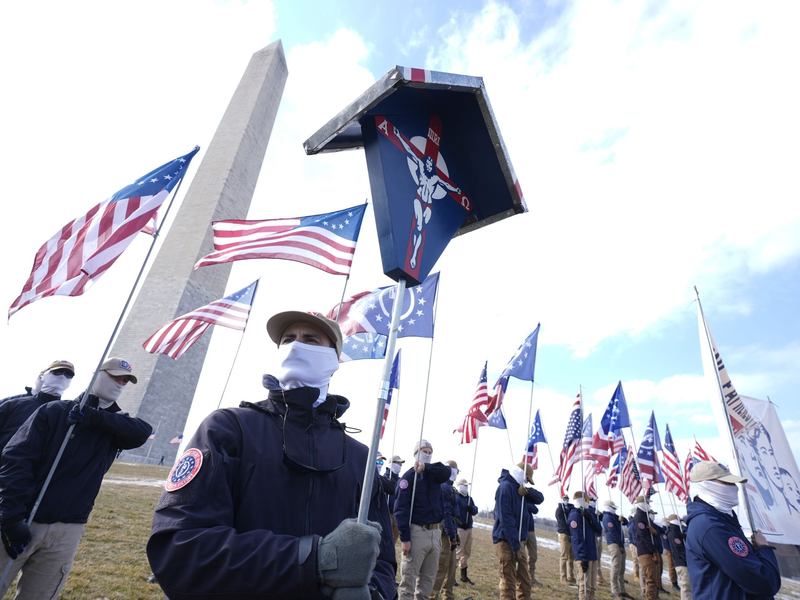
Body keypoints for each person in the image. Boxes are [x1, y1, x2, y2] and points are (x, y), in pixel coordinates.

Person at [147, 312, 397, 600]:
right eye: (288, 339)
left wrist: (373, 592)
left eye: (310, 339)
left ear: (333, 360)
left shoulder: (360, 458)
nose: (295, 345)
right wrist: (312, 560)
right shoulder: (229, 428)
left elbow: (382, 561)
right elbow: (181, 546)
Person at [0, 356, 150, 599]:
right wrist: (10, 517)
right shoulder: (54, 411)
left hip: (68, 529)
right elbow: (17, 460)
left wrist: (93, 417)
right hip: (24, 519)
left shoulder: (114, 426)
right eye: (115, 377)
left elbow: (142, 432)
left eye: (125, 381)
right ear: (97, 375)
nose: (120, 383)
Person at [684, 461, 781, 600]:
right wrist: (765, 549)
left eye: (733, 483)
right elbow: (765, 583)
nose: (734, 488)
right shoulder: (711, 526)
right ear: (707, 485)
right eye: (727, 483)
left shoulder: (723, 519)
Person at [394, 439, 451, 600]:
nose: (427, 454)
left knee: (427, 584)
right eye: (424, 451)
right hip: (416, 533)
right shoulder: (409, 477)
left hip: (435, 534)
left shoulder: (435, 475)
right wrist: (405, 539)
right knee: (408, 584)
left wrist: (426, 467)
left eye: (429, 452)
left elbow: (446, 471)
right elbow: (400, 510)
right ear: (416, 454)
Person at [492, 462, 544, 600]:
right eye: (526, 479)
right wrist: (515, 546)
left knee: (525, 582)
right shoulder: (505, 487)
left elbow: (540, 499)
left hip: (518, 542)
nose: (526, 482)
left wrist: (527, 491)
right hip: (506, 541)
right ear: (521, 474)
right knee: (508, 583)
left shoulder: (521, 491)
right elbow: (506, 520)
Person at [0, 360, 75, 452]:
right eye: (57, 372)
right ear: (43, 375)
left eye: (68, 375)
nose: (62, 377)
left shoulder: (66, 415)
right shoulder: (13, 404)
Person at [430, 460, 459, 600]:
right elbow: (446, 512)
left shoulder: (451, 488)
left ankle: (448, 595)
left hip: (451, 529)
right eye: (455, 471)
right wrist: (451, 534)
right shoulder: (444, 487)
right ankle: (432, 595)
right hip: (444, 532)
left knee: (452, 566)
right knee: (442, 565)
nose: (456, 474)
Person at [568, 491, 603, 600]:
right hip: (585, 556)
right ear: (580, 500)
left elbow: (599, 530)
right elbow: (577, 539)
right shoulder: (575, 516)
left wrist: (591, 518)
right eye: (587, 500)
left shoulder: (587, 515)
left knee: (592, 586)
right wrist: (582, 557)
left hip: (592, 554)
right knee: (585, 586)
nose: (588, 502)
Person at [632, 495, 660, 600]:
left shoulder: (646, 517)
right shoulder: (638, 517)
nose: (649, 505)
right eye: (647, 503)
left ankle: (655, 597)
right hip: (645, 551)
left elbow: (658, 531)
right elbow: (643, 536)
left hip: (651, 550)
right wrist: (653, 551)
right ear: (642, 504)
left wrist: (655, 532)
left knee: (655, 578)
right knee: (651, 578)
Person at [602, 500, 631, 599]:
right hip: (614, 543)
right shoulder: (607, 518)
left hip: (620, 543)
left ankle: (622, 590)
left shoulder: (614, 517)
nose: (615, 509)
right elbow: (612, 532)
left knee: (621, 568)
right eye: (613, 508)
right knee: (616, 567)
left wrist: (624, 520)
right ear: (608, 507)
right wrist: (620, 544)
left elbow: (625, 523)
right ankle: (614, 590)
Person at [453, 477, 477, 585]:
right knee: (458, 552)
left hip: (469, 528)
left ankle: (463, 575)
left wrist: (471, 509)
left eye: (467, 486)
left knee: (466, 552)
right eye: (465, 485)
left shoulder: (469, 498)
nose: (467, 488)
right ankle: (451, 576)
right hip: (460, 527)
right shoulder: (456, 497)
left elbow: (475, 509)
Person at [666, 514, 692, 600]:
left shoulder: (677, 532)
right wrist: (688, 559)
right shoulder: (673, 533)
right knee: (686, 586)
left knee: (689, 585)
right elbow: (679, 549)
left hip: (683, 562)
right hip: (682, 562)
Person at [556, 495, 576, 583]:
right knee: (564, 556)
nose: (566, 500)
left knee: (571, 557)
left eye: (567, 499)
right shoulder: (559, 510)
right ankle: (563, 577)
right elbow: (561, 522)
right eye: (564, 499)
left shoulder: (571, 509)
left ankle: (571, 576)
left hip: (572, 535)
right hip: (564, 534)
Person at [385, 455, 405, 542]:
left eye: (401, 464)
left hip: (396, 514)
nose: (400, 465)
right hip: (387, 513)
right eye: (398, 463)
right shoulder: (385, 479)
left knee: (393, 541)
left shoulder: (400, 481)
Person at [588, 497, 606, 586]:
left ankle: (598, 576)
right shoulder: (588, 510)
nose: (594, 502)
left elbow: (602, 519)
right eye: (593, 500)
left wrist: (599, 514)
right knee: (593, 557)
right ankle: (595, 576)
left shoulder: (595, 510)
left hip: (598, 535)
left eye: (595, 501)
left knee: (598, 557)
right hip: (593, 536)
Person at [661, 517, 679, 592]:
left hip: (672, 549)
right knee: (671, 565)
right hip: (669, 549)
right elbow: (666, 541)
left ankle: (675, 581)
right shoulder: (664, 530)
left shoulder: (668, 529)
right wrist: (670, 550)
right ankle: (673, 582)